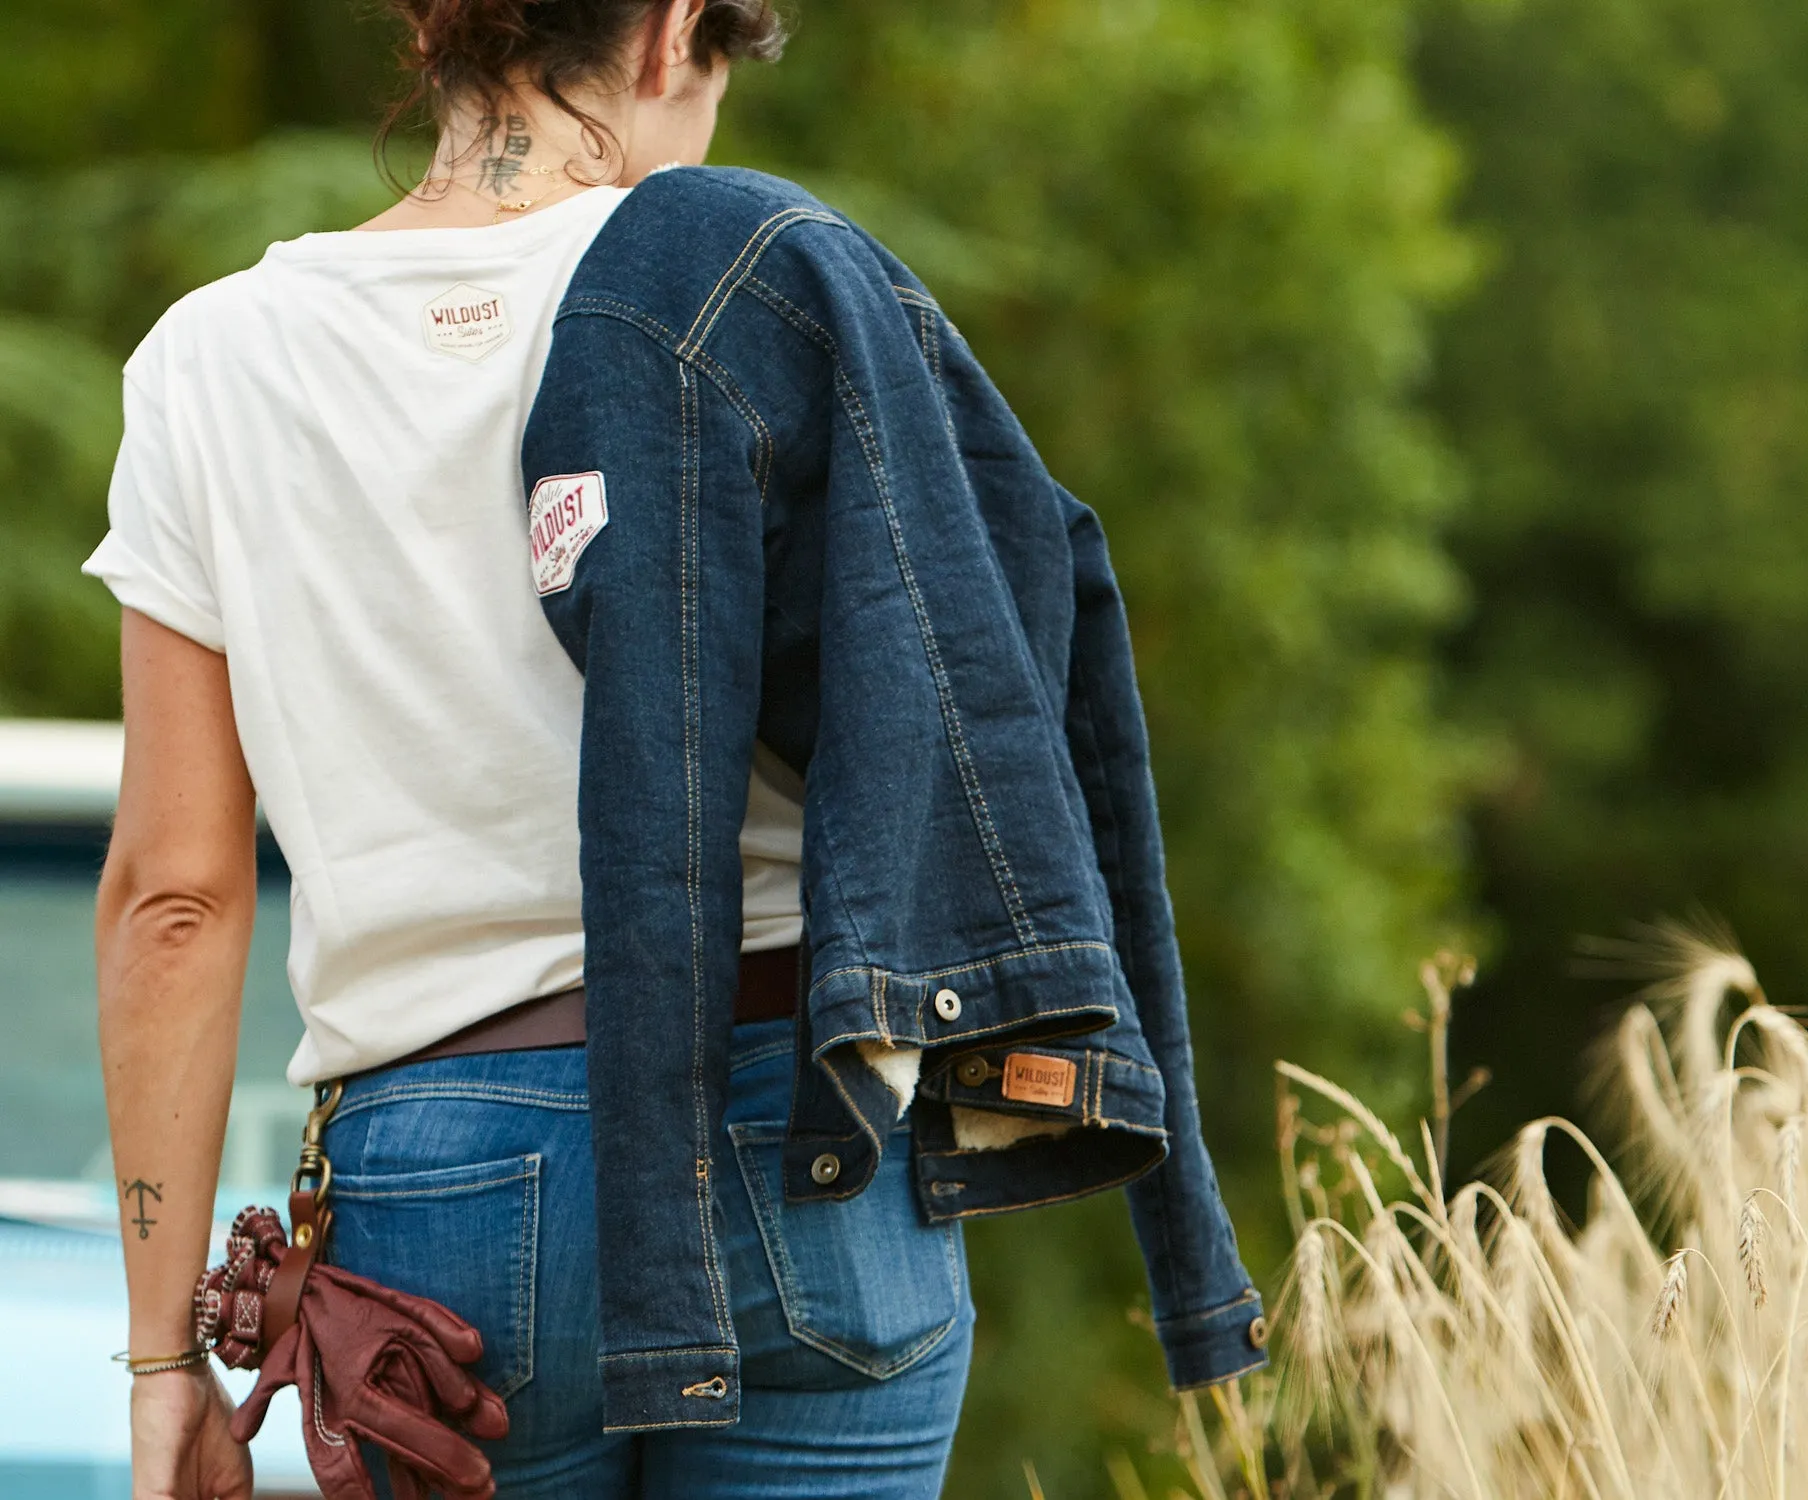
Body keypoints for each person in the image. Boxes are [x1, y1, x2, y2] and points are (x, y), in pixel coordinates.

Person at [80, 2, 1133, 1494]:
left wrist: (160, 1367)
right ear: (674, 28)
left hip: (440, 1179)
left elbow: (175, 898)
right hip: (797, 1119)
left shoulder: (210, 363)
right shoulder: (746, 287)